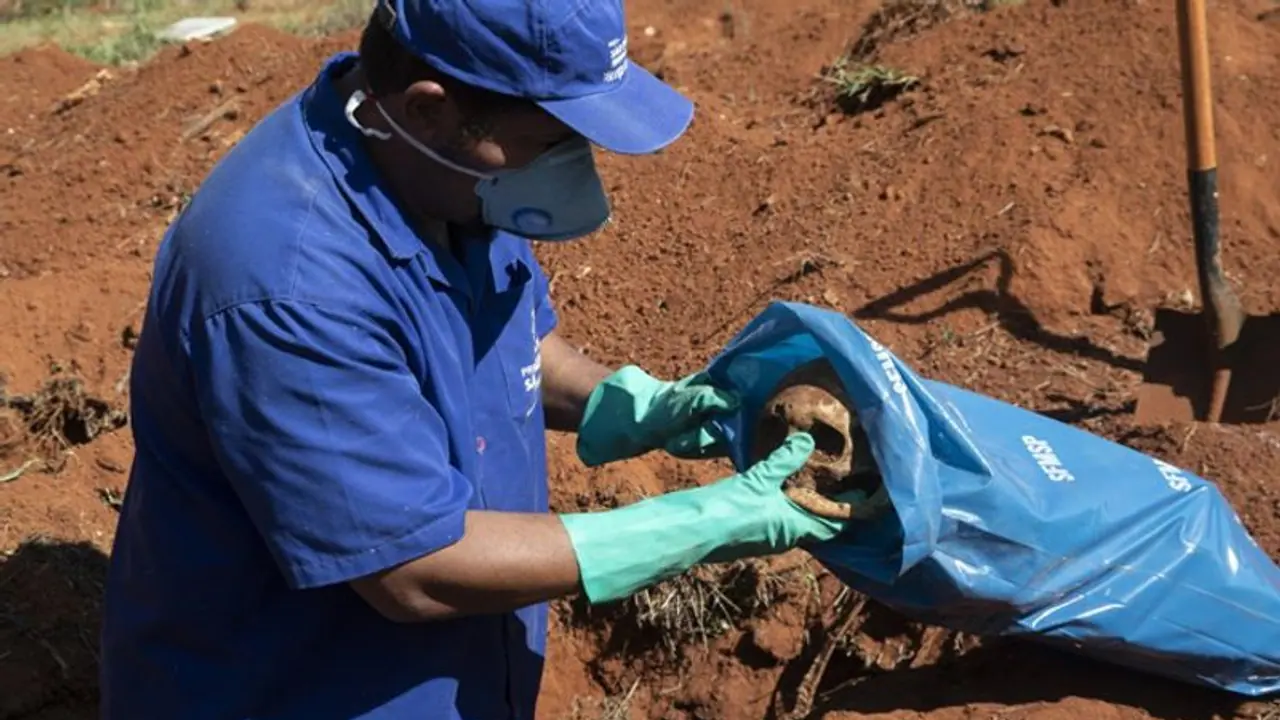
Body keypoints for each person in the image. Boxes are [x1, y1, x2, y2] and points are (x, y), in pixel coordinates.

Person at [99, 0, 846, 717]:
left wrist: (633, 404)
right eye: (551, 143)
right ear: (430, 108)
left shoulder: (446, 173)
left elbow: (513, 341)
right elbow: (416, 571)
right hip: (302, 692)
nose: (572, 169)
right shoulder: (288, 283)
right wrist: (700, 524)